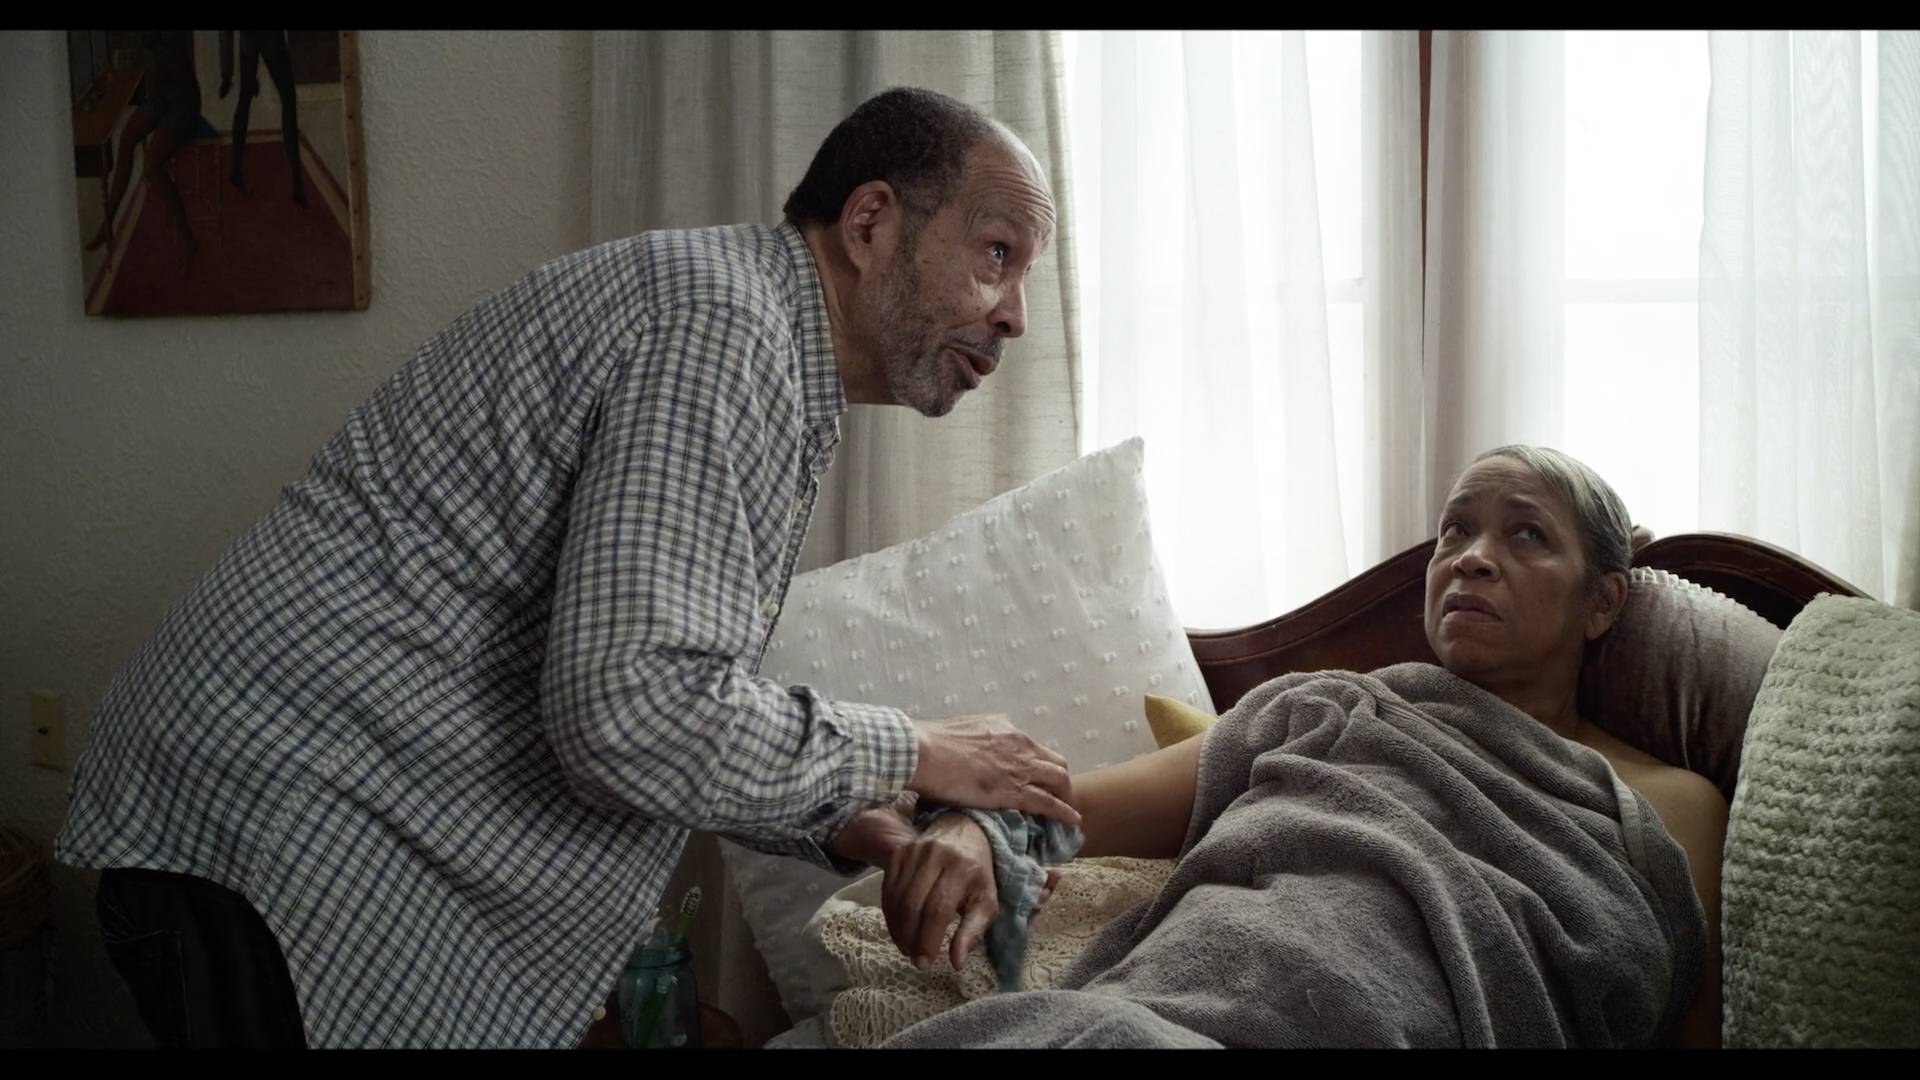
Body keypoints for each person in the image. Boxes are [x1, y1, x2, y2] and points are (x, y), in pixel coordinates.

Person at [57, 86, 1071, 1048]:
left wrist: (848, 819)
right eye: (996, 254)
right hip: (274, 827)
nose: (1016, 312)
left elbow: (662, 693)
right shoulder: (725, 334)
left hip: (280, 817)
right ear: (870, 223)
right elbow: (624, 713)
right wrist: (913, 750)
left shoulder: (752, 331)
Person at [876, 445, 1728, 1048]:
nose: (1472, 558)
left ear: (1605, 603)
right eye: (1454, 532)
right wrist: (971, 830)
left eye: (1526, 535)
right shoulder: (1329, 707)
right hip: (1154, 1018)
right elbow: (1065, 814)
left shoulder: (1669, 807)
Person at [84, 31, 200, 264]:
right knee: (126, 139)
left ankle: (186, 235)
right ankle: (108, 225)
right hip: (160, 97)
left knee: (152, 166)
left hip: (183, 100)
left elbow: (154, 40)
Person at [219, 30, 307, 208]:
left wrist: (227, 73)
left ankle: (236, 170)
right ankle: (297, 183)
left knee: (244, 100)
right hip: (270, 39)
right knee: (288, 102)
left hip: (249, 40)